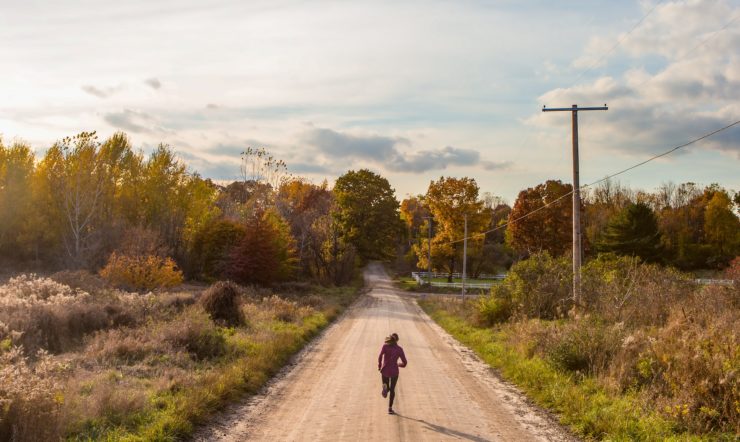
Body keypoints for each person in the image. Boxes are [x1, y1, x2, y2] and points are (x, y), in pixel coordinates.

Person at [377, 332, 407, 415]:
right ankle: (390, 408)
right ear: (397, 340)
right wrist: (398, 364)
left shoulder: (385, 346)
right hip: (394, 371)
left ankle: (385, 387)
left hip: (385, 370)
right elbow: (405, 363)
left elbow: (380, 356)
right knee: (392, 390)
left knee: (386, 384)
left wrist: (379, 365)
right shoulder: (399, 349)